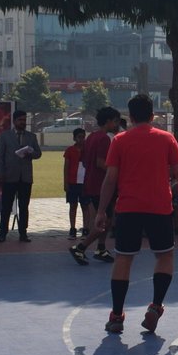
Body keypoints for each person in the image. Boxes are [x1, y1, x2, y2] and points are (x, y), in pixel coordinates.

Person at [92, 95, 178, 334]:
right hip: (159, 207)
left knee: (123, 259)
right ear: (152, 115)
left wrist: (101, 211)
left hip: (128, 207)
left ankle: (116, 316)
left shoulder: (120, 140)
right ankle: (156, 306)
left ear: (130, 116)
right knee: (165, 255)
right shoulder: (166, 138)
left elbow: (110, 179)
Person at [71, 106, 121, 264]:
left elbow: (85, 161)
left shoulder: (91, 137)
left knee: (106, 217)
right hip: (101, 185)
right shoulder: (104, 139)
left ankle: (101, 248)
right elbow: (101, 162)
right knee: (104, 220)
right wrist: (118, 171)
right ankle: (80, 247)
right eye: (115, 121)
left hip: (91, 182)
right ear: (108, 121)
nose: (117, 125)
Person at [0, 110, 41, 242]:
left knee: (24, 207)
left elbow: (38, 154)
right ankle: (3, 233)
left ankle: (23, 233)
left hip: (25, 177)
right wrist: (0, 173)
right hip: (9, 176)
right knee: (6, 207)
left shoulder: (31, 137)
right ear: (14, 121)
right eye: (20, 120)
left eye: (24, 120)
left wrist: (30, 153)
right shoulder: (5, 136)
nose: (23, 122)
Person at [63, 127, 86, 239]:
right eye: (79, 137)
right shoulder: (70, 150)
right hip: (72, 182)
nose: (81, 139)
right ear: (74, 138)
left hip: (84, 182)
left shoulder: (88, 150)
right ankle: (72, 228)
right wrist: (65, 182)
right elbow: (66, 167)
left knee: (85, 206)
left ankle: (86, 228)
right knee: (73, 205)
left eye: (83, 137)